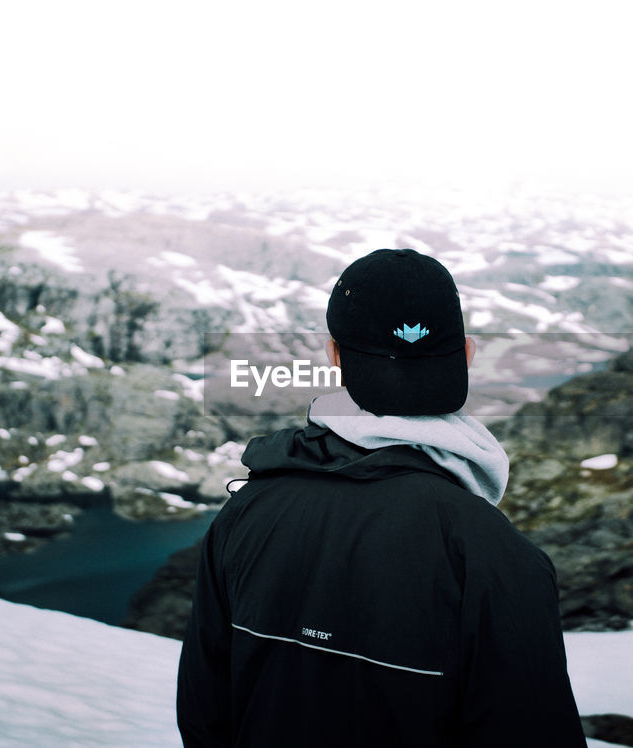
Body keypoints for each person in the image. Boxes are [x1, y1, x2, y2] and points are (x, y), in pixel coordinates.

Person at [177, 248, 587, 747]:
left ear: (334, 356)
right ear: (468, 355)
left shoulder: (246, 512)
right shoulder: (497, 555)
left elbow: (204, 717)